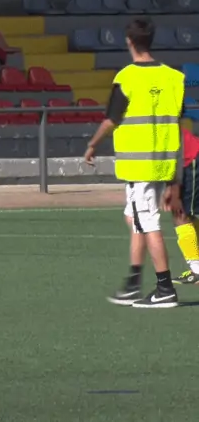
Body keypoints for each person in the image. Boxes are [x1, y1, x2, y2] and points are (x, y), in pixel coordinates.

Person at [85, 18, 185, 309]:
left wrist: (92, 144)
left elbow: (111, 120)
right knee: (135, 219)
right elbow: (176, 127)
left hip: (140, 167)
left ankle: (165, 288)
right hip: (162, 164)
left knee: (147, 222)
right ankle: (133, 282)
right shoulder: (173, 78)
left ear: (129, 41)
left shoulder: (126, 77)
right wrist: (174, 180)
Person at [167, 127, 199, 284]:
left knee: (180, 214)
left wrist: (174, 191)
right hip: (189, 159)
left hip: (190, 160)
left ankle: (197, 271)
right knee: (186, 214)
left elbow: (172, 158)